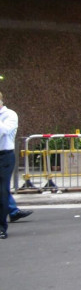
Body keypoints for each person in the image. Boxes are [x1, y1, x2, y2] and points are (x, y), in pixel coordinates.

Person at [0, 92, 18, 239]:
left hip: (4, 156)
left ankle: (1, 227)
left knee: (2, 192)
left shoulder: (10, 115)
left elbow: (3, 132)